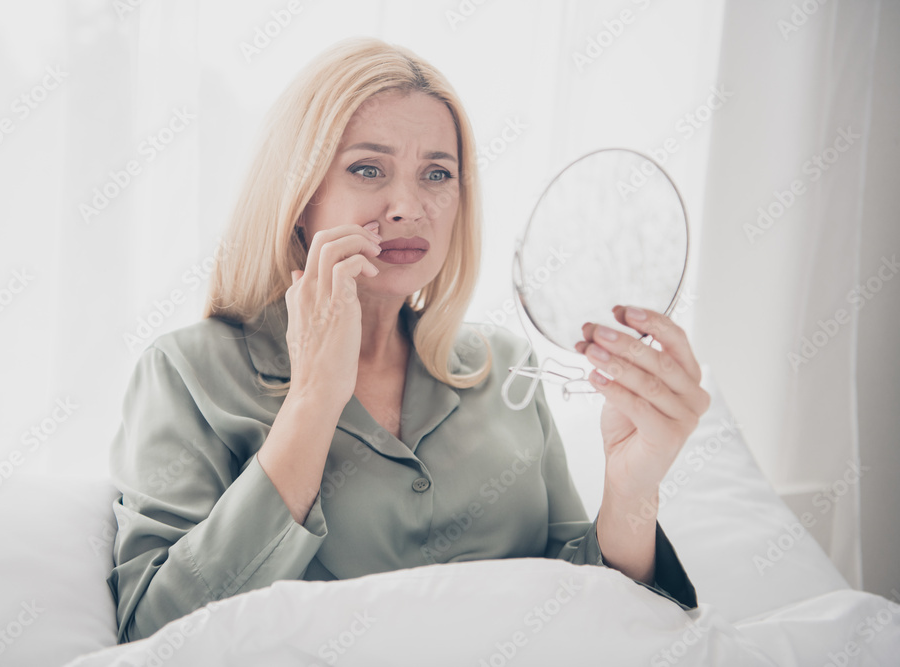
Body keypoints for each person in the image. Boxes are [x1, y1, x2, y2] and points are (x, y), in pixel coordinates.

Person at [107, 37, 710, 644]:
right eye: (368, 168)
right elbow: (155, 633)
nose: (409, 207)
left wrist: (634, 487)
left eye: (437, 175)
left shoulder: (503, 368)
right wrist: (314, 398)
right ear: (297, 198)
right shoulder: (187, 372)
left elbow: (590, 611)